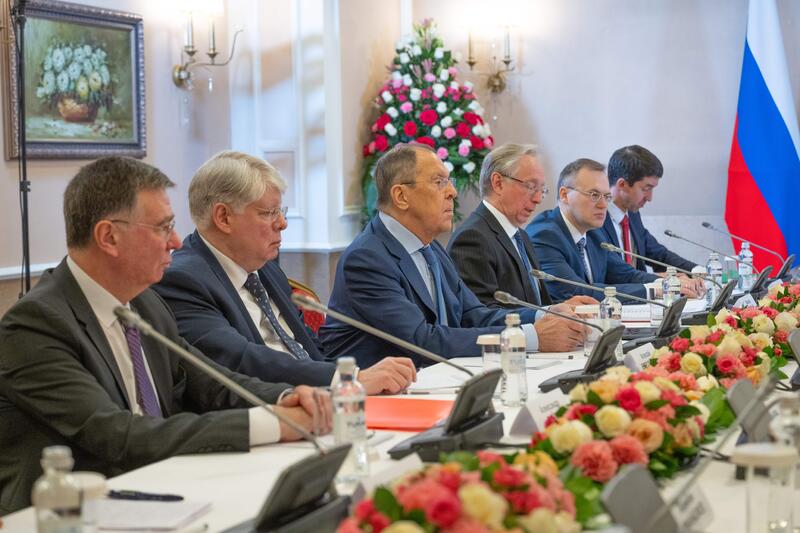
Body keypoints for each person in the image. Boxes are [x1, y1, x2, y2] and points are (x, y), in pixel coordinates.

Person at [0, 157, 329, 514]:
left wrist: (287, 397)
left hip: (162, 491)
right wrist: (274, 423)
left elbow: (214, 383)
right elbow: (118, 434)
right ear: (109, 237)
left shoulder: (145, 303)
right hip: (69, 514)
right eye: (163, 227)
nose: (175, 241)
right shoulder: (35, 325)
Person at [154, 151, 416, 395]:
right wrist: (347, 379)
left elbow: (311, 350)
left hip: (324, 401)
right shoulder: (183, 281)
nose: (282, 223)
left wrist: (360, 383)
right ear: (223, 217)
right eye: (269, 213)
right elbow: (241, 360)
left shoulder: (266, 269)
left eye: (281, 211)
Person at [320, 143, 585, 369]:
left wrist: (544, 316)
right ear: (401, 196)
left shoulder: (430, 248)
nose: (453, 192)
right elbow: (421, 341)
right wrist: (529, 337)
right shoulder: (367, 259)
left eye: (449, 182)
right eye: (439, 182)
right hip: (376, 398)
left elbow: (474, 315)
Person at [448, 143, 598, 318]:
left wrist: (564, 308)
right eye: (530, 186)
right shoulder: (472, 239)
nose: (538, 199)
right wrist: (546, 314)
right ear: (498, 183)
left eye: (541, 190)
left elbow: (534, 305)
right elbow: (481, 316)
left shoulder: (521, 236)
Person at [526, 158, 700, 302]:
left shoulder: (593, 234)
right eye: (594, 195)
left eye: (607, 196)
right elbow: (576, 292)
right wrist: (654, 290)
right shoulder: (545, 235)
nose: (603, 205)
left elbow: (626, 275)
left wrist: (668, 282)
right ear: (565, 195)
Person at [597, 145, 698, 274]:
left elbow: (660, 256)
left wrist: (698, 271)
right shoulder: (596, 221)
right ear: (622, 184)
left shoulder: (632, 215)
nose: (650, 198)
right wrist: (658, 280)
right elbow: (614, 274)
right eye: (646, 189)